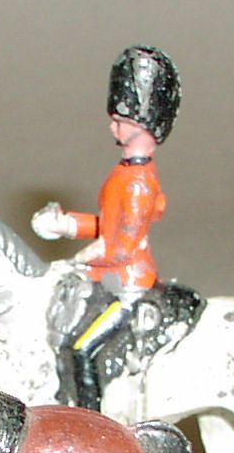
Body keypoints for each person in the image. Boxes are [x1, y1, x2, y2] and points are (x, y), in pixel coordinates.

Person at [31, 45, 182, 410]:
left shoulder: (138, 184)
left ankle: (91, 420)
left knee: (81, 347)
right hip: (110, 276)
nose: (113, 126)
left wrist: (78, 261)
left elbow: (120, 249)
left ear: (142, 125)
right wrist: (67, 225)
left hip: (127, 284)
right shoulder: (125, 173)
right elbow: (109, 227)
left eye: (120, 120)